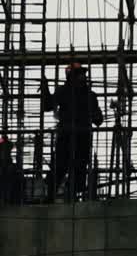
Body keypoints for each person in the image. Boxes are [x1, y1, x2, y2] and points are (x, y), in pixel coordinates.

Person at [41, 64, 104, 202]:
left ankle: (69, 195)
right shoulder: (66, 92)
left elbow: (98, 120)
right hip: (70, 135)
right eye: (80, 74)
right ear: (72, 77)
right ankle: (53, 195)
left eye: (83, 74)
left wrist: (93, 113)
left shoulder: (88, 95)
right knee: (61, 166)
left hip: (80, 136)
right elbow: (47, 106)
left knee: (77, 167)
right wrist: (45, 88)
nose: (84, 77)